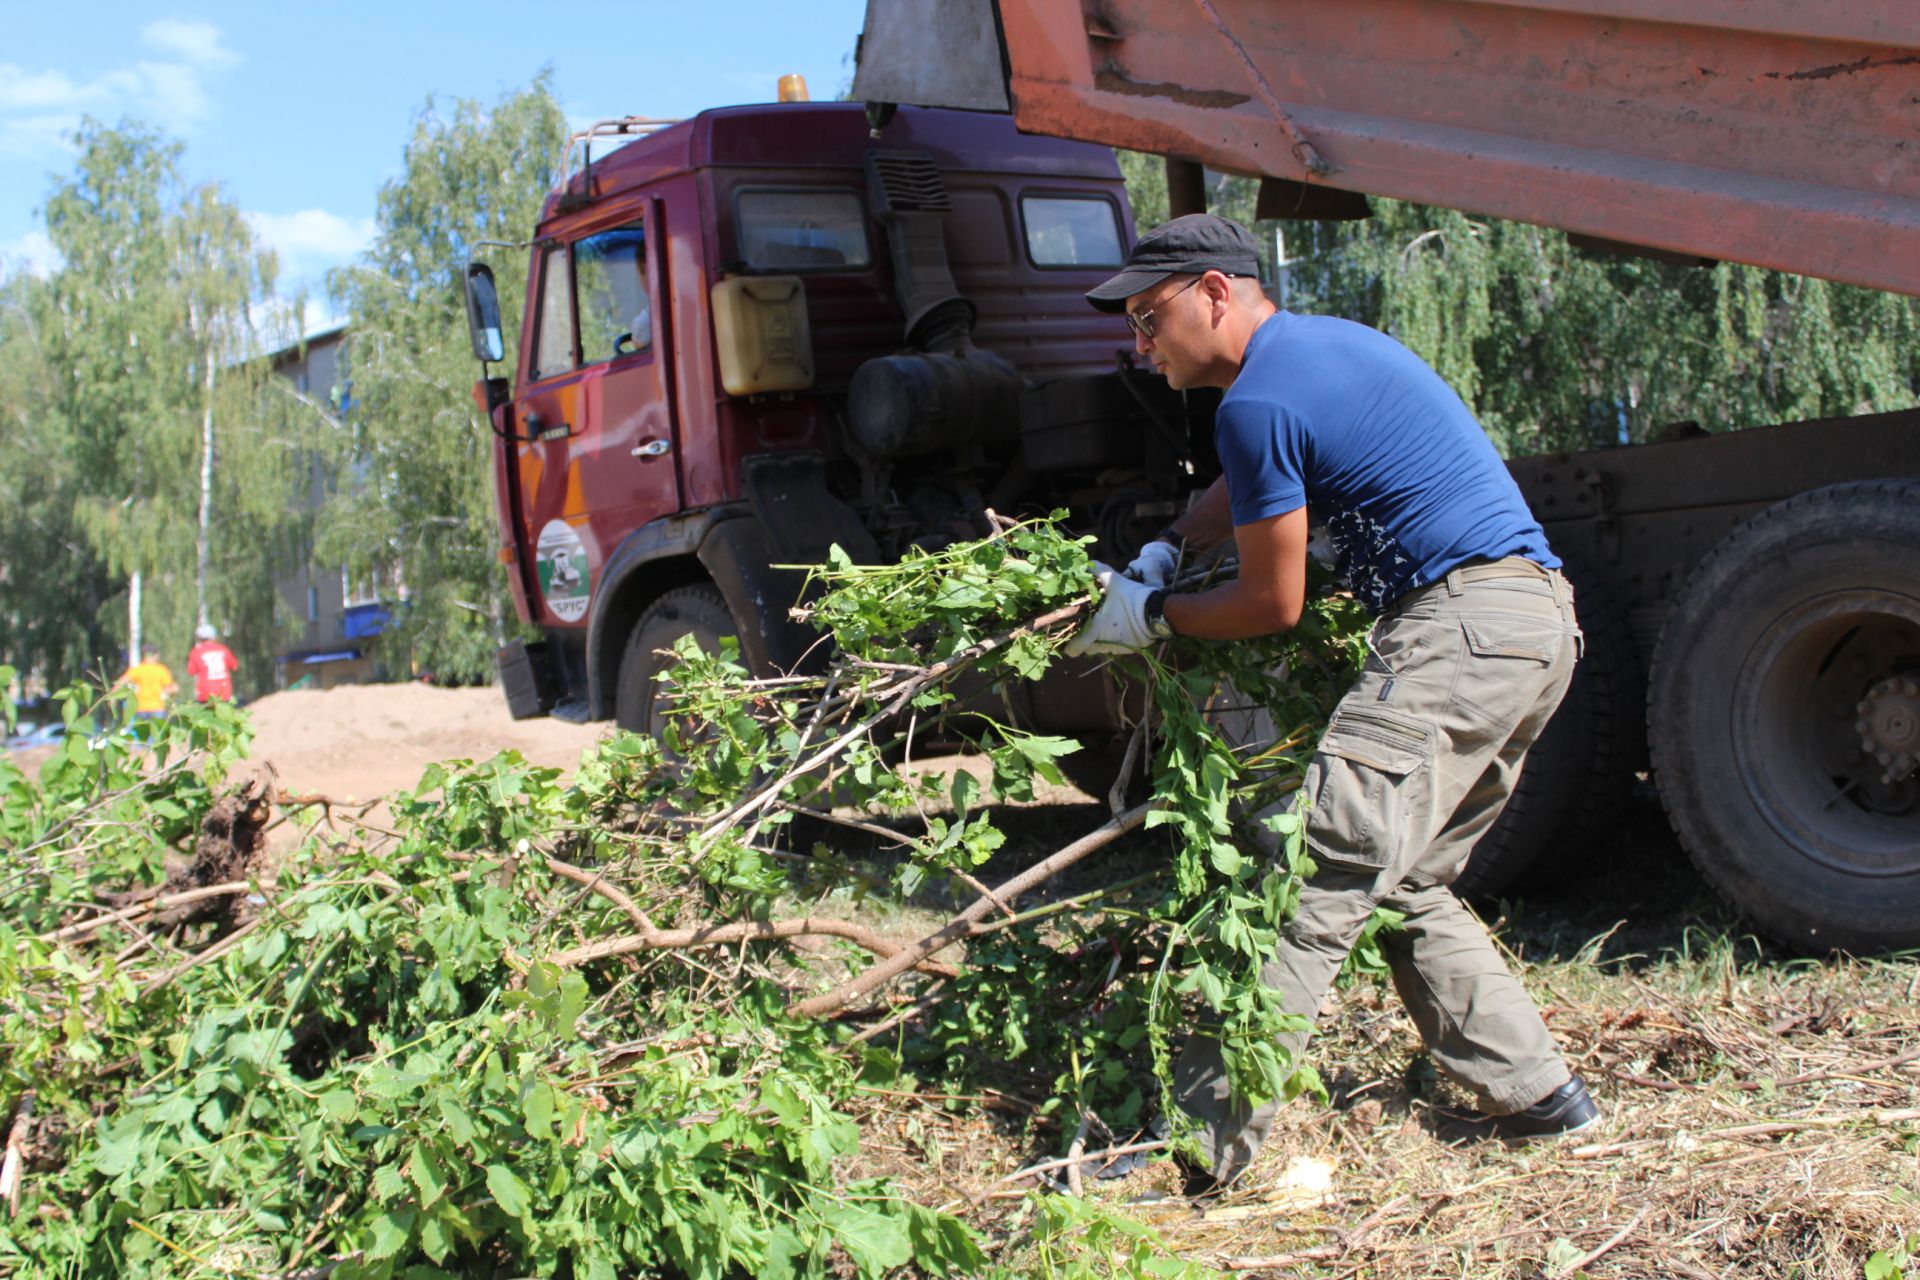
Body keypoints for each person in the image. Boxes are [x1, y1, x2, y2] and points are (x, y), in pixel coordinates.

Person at [1067, 213, 1597, 1189]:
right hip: (1531, 624)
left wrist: (1154, 616)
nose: (1142, 345)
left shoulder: (1255, 398)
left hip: (1456, 626)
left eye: (1152, 318)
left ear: (1216, 291)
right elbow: (1251, 480)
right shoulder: (1314, 351)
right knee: (1403, 880)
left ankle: (1196, 1148)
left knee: (1313, 866)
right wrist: (1171, 545)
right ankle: (1540, 1095)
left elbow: (1273, 602)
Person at [118, 645, 177, 720]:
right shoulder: (161, 670)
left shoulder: (138, 669)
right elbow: (174, 688)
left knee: (142, 730)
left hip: (141, 708)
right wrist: (166, 693)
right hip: (157, 708)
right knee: (158, 731)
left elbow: (121, 682)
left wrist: (111, 696)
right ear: (156, 655)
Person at [186, 623, 239, 702]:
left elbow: (191, 672)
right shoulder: (223, 649)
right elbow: (234, 666)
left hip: (206, 693)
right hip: (224, 692)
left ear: (199, 638)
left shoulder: (195, 652)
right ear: (213, 637)